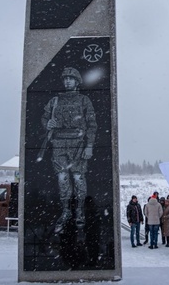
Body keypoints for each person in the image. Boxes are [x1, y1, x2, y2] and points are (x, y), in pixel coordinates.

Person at [41, 67, 97, 234]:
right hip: (58, 143)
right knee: (62, 178)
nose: (67, 81)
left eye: (71, 78)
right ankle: (66, 211)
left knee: (79, 177)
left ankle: (79, 211)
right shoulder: (55, 100)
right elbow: (44, 117)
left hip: (77, 143)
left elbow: (92, 125)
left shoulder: (84, 100)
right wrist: (47, 124)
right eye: (65, 78)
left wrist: (89, 145)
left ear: (77, 81)